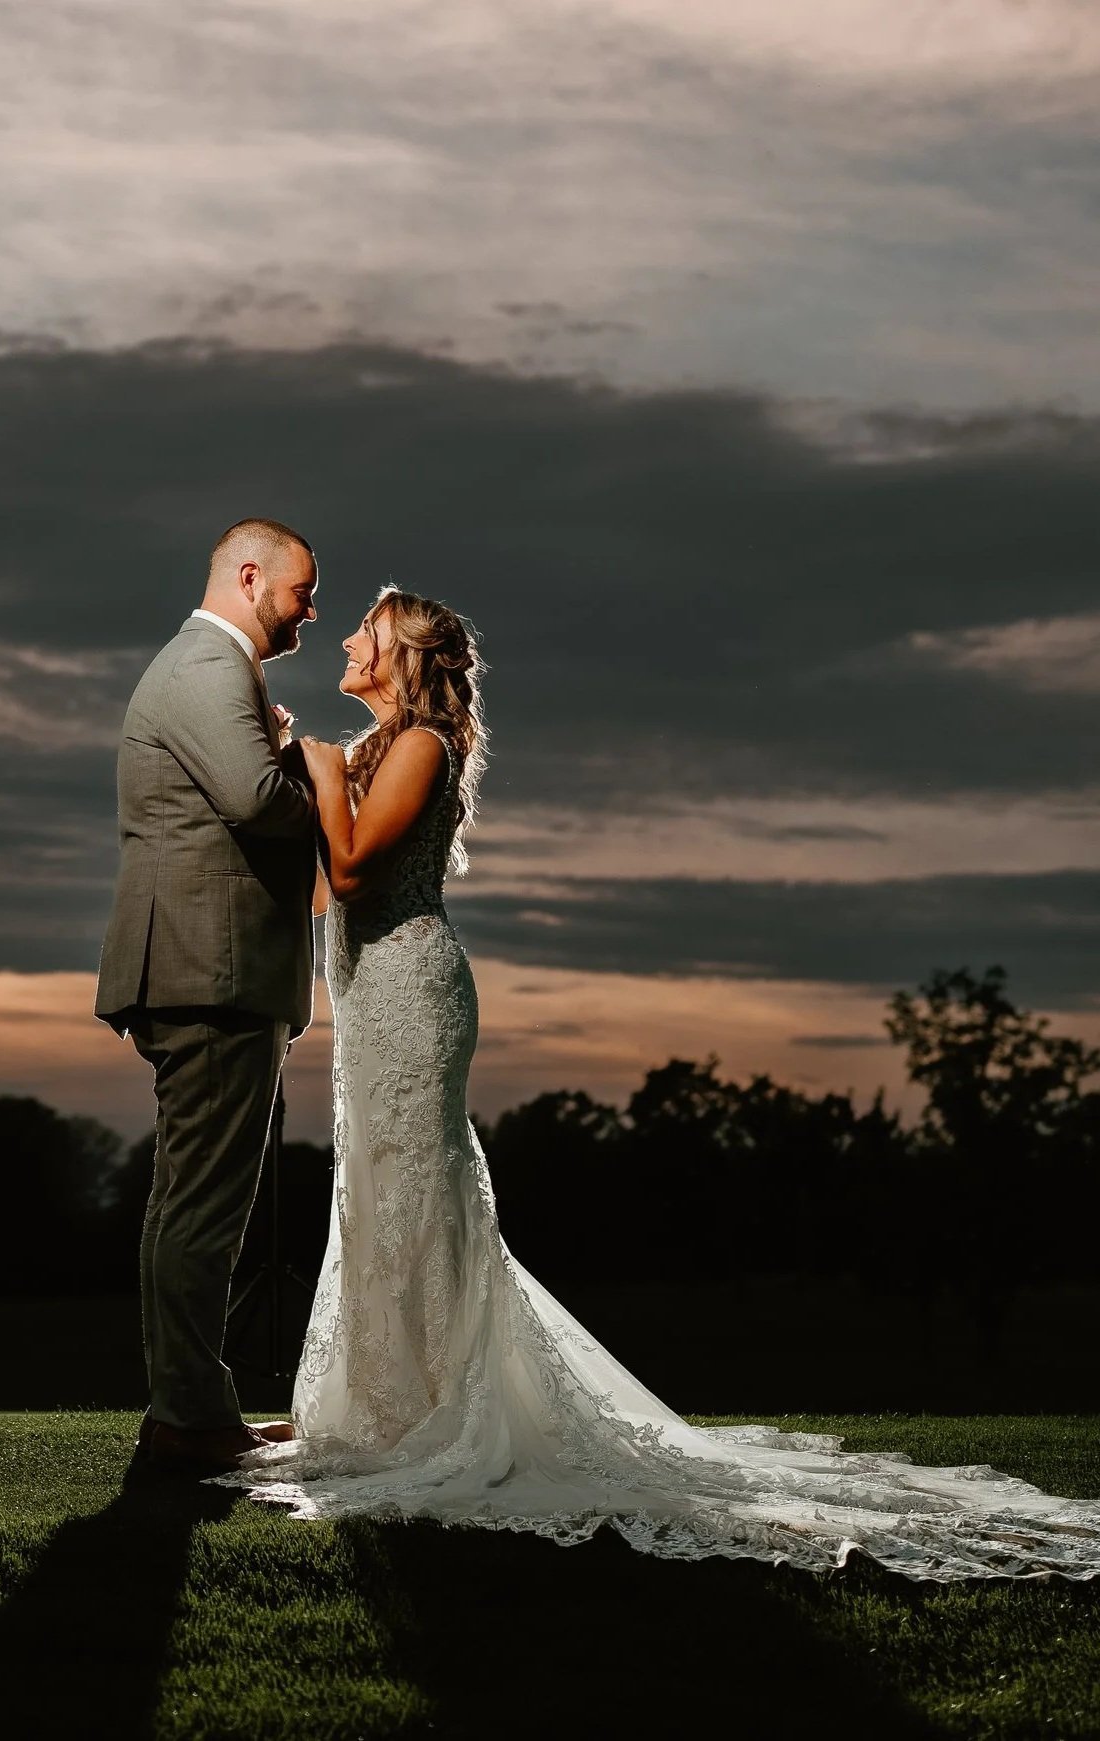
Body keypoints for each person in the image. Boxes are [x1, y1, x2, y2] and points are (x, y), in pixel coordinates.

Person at [209, 584, 1100, 1582]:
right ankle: (383, 1404)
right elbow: (330, 865)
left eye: (364, 632)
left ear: (404, 658)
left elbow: (360, 870)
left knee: (421, 1187)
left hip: (414, 995)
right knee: (378, 1190)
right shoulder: (379, 750)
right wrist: (314, 766)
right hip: (370, 1002)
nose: (346, 641)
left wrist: (322, 772)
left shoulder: (419, 746)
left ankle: (439, 1413)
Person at [94, 517, 320, 1472]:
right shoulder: (207, 667)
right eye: (303, 591)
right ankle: (190, 1421)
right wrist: (327, 782)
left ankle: (187, 1408)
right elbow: (260, 800)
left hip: (195, 963)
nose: (311, 609)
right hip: (211, 968)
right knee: (204, 1209)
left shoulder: (208, 671)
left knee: (185, 1201)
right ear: (250, 574)